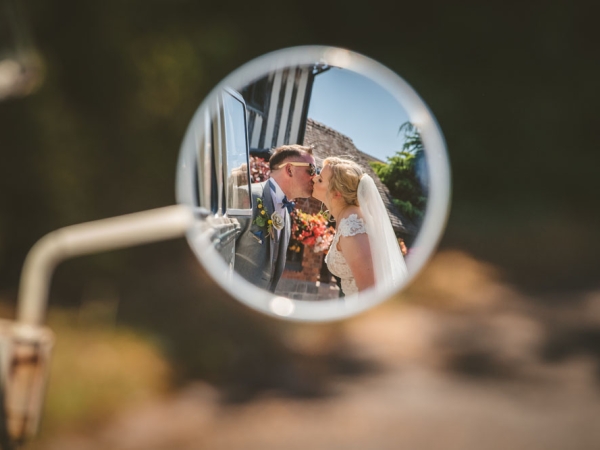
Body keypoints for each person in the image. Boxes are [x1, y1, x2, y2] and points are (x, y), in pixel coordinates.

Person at [312, 157, 408, 296]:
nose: (314, 179)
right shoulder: (348, 218)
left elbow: (370, 290)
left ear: (337, 193)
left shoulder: (352, 228)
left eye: (320, 179)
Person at [234, 144, 317, 292]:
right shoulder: (247, 196)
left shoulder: (287, 214)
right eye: (311, 170)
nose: (315, 177)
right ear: (289, 169)